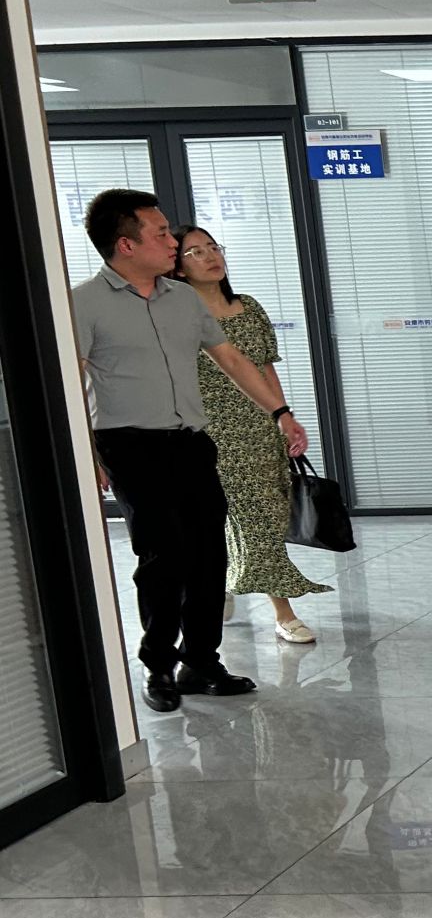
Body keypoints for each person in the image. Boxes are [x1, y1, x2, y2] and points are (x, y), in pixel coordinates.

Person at [71, 190, 309, 714]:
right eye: (160, 234)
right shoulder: (83, 303)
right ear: (126, 244)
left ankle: (201, 662)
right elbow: (71, 380)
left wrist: (280, 412)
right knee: (163, 556)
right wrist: (84, 453)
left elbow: (233, 360)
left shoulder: (182, 300)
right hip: (129, 445)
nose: (171, 243)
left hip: (192, 442)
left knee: (207, 554)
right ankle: (158, 665)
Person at [171, 226, 332, 646]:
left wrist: (284, 417)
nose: (210, 256)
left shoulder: (249, 307)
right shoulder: (178, 315)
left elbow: (264, 368)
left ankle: (226, 577)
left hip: (260, 427)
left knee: (265, 516)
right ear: (179, 268)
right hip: (212, 431)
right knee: (252, 518)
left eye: (213, 247)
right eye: (195, 252)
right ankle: (284, 612)